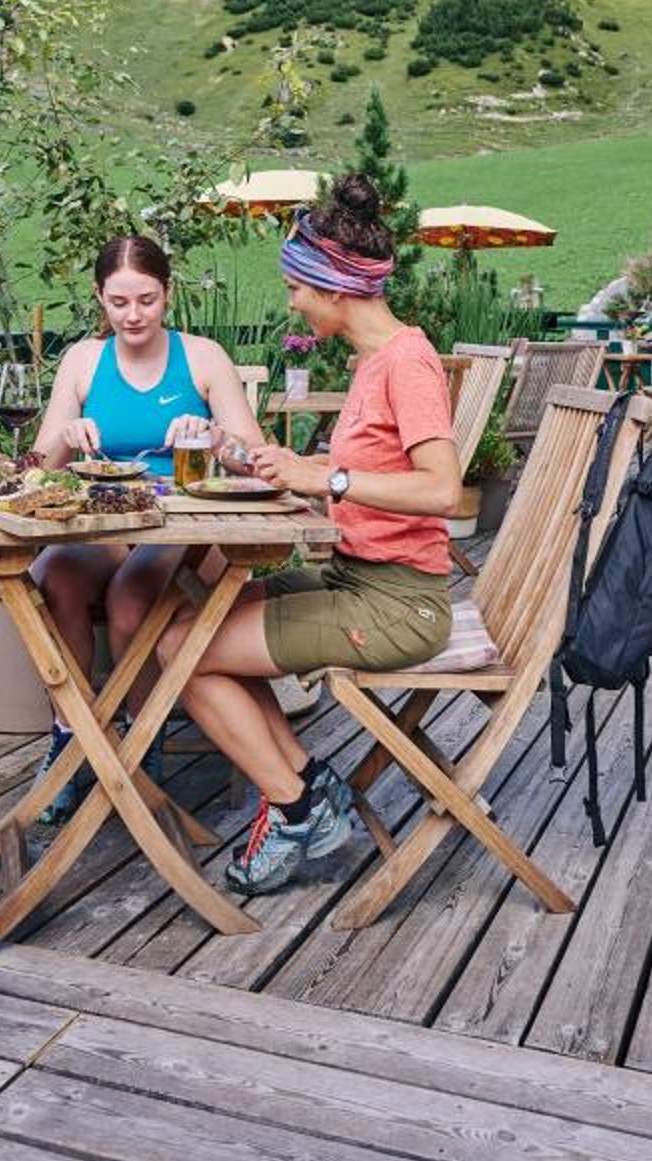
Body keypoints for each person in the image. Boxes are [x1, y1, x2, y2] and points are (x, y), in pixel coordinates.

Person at [158, 174, 458, 892]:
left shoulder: (407, 363)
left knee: (180, 652)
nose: (293, 300)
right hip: (355, 576)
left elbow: (443, 489)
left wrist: (328, 479)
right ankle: (306, 787)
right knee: (194, 624)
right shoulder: (375, 362)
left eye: (297, 286)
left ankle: (294, 807)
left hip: (397, 603)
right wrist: (255, 458)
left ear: (334, 286)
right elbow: (349, 472)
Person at [25, 235, 264, 822]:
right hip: (108, 519)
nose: (133, 315)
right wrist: (67, 437)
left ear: (168, 294)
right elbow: (38, 468)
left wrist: (215, 438)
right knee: (54, 576)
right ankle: (70, 738)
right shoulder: (83, 361)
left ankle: (140, 740)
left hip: (185, 527)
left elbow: (256, 460)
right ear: (99, 297)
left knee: (132, 598)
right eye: (119, 302)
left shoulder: (203, 357)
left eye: (147, 300)